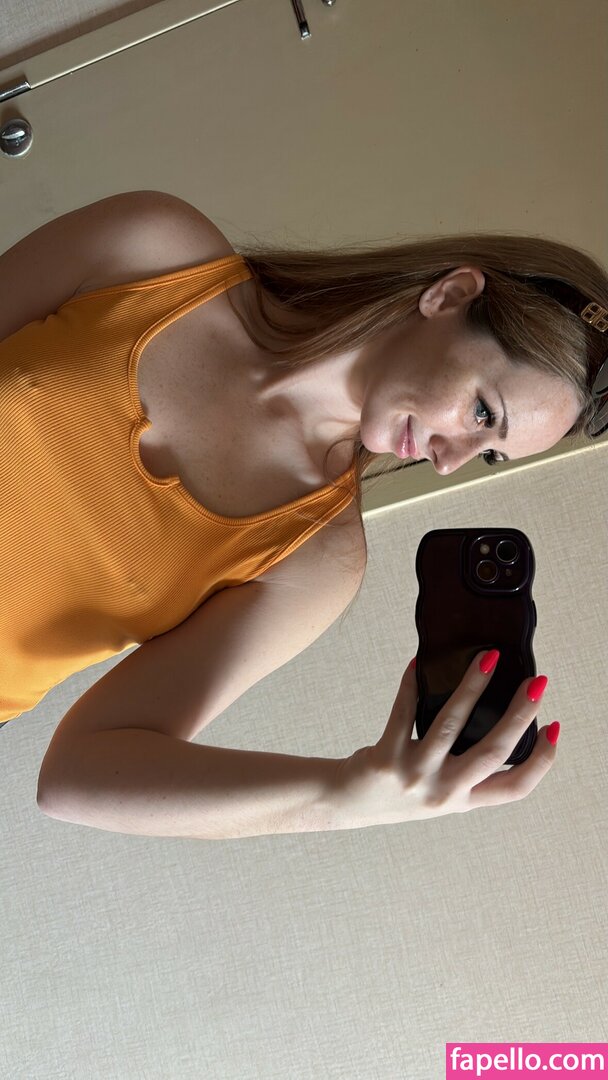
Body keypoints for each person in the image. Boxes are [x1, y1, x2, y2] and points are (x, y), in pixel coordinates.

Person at [1, 189, 606, 839]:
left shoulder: (314, 558)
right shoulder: (151, 250)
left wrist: (344, 796)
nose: (448, 460)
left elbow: (76, 775)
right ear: (450, 295)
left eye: (487, 454)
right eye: (482, 413)